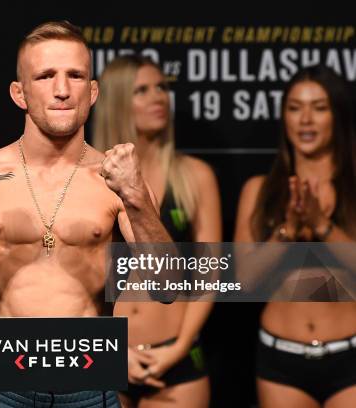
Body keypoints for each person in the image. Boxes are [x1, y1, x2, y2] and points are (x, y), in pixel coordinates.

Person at [0, 21, 173, 407]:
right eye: (46, 76)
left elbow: (168, 288)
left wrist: (136, 197)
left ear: (94, 91)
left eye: (76, 75)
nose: (63, 90)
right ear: (20, 93)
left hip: (90, 387)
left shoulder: (118, 180)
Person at [93, 55, 220, 408]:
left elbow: (210, 273)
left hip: (175, 357)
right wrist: (109, 350)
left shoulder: (195, 176)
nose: (158, 97)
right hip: (104, 355)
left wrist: (180, 346)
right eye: (142, 90)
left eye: (162, 87)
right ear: (117, 101)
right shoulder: (89, 177)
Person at [234, 65, 356, 408]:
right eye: (294, 107)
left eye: (319, 108)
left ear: (338, 115)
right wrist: (286, 232)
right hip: (280, 361)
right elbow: (244, 281)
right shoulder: (258, 190)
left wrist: (322, 227)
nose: (306, 120)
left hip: (350, 355)